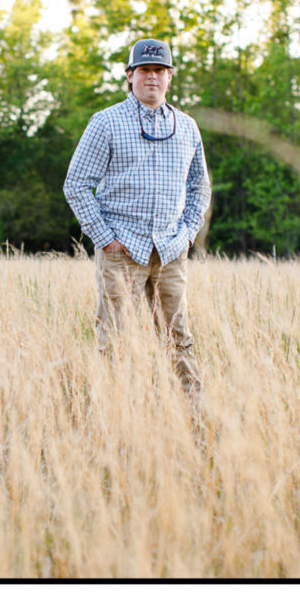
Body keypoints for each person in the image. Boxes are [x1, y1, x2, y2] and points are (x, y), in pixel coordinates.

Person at [63, 38, 211, 400]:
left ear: (170, 76)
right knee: (114, 341)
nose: (152, 77)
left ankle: (191, 414)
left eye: (159, 70)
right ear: (129, 75)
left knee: (178, 339)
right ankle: (115, 415)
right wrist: (106, 239)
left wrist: (188, 233)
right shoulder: (106, 122)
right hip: (122, 250)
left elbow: (200, 186)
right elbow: (76, 184)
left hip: (171, 249)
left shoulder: (187, 126)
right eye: (144, 70)